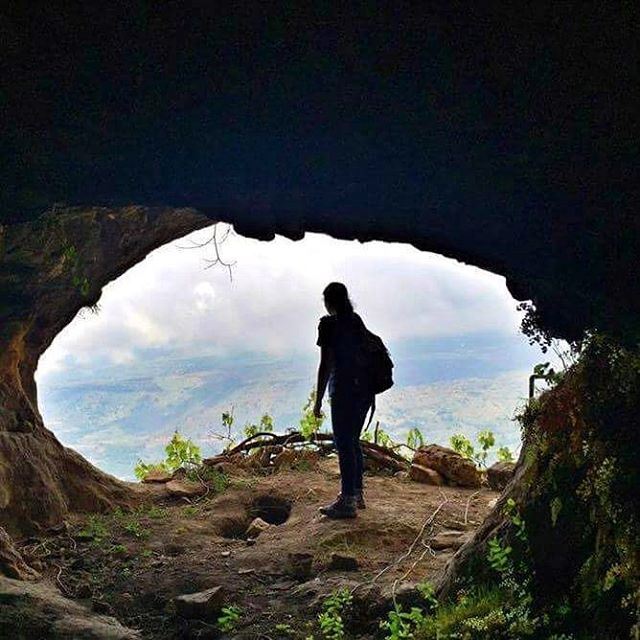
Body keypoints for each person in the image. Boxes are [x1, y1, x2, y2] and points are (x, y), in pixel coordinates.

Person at [313, 282, 374, 519]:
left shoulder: (328, 325)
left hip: (343, 391)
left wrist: (317, 401)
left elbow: (325, 364)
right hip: (365, 390)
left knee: (344, 444)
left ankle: (347, 501)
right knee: (353, 441)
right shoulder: (355, 320)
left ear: (328, 302)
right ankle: (356, 494)